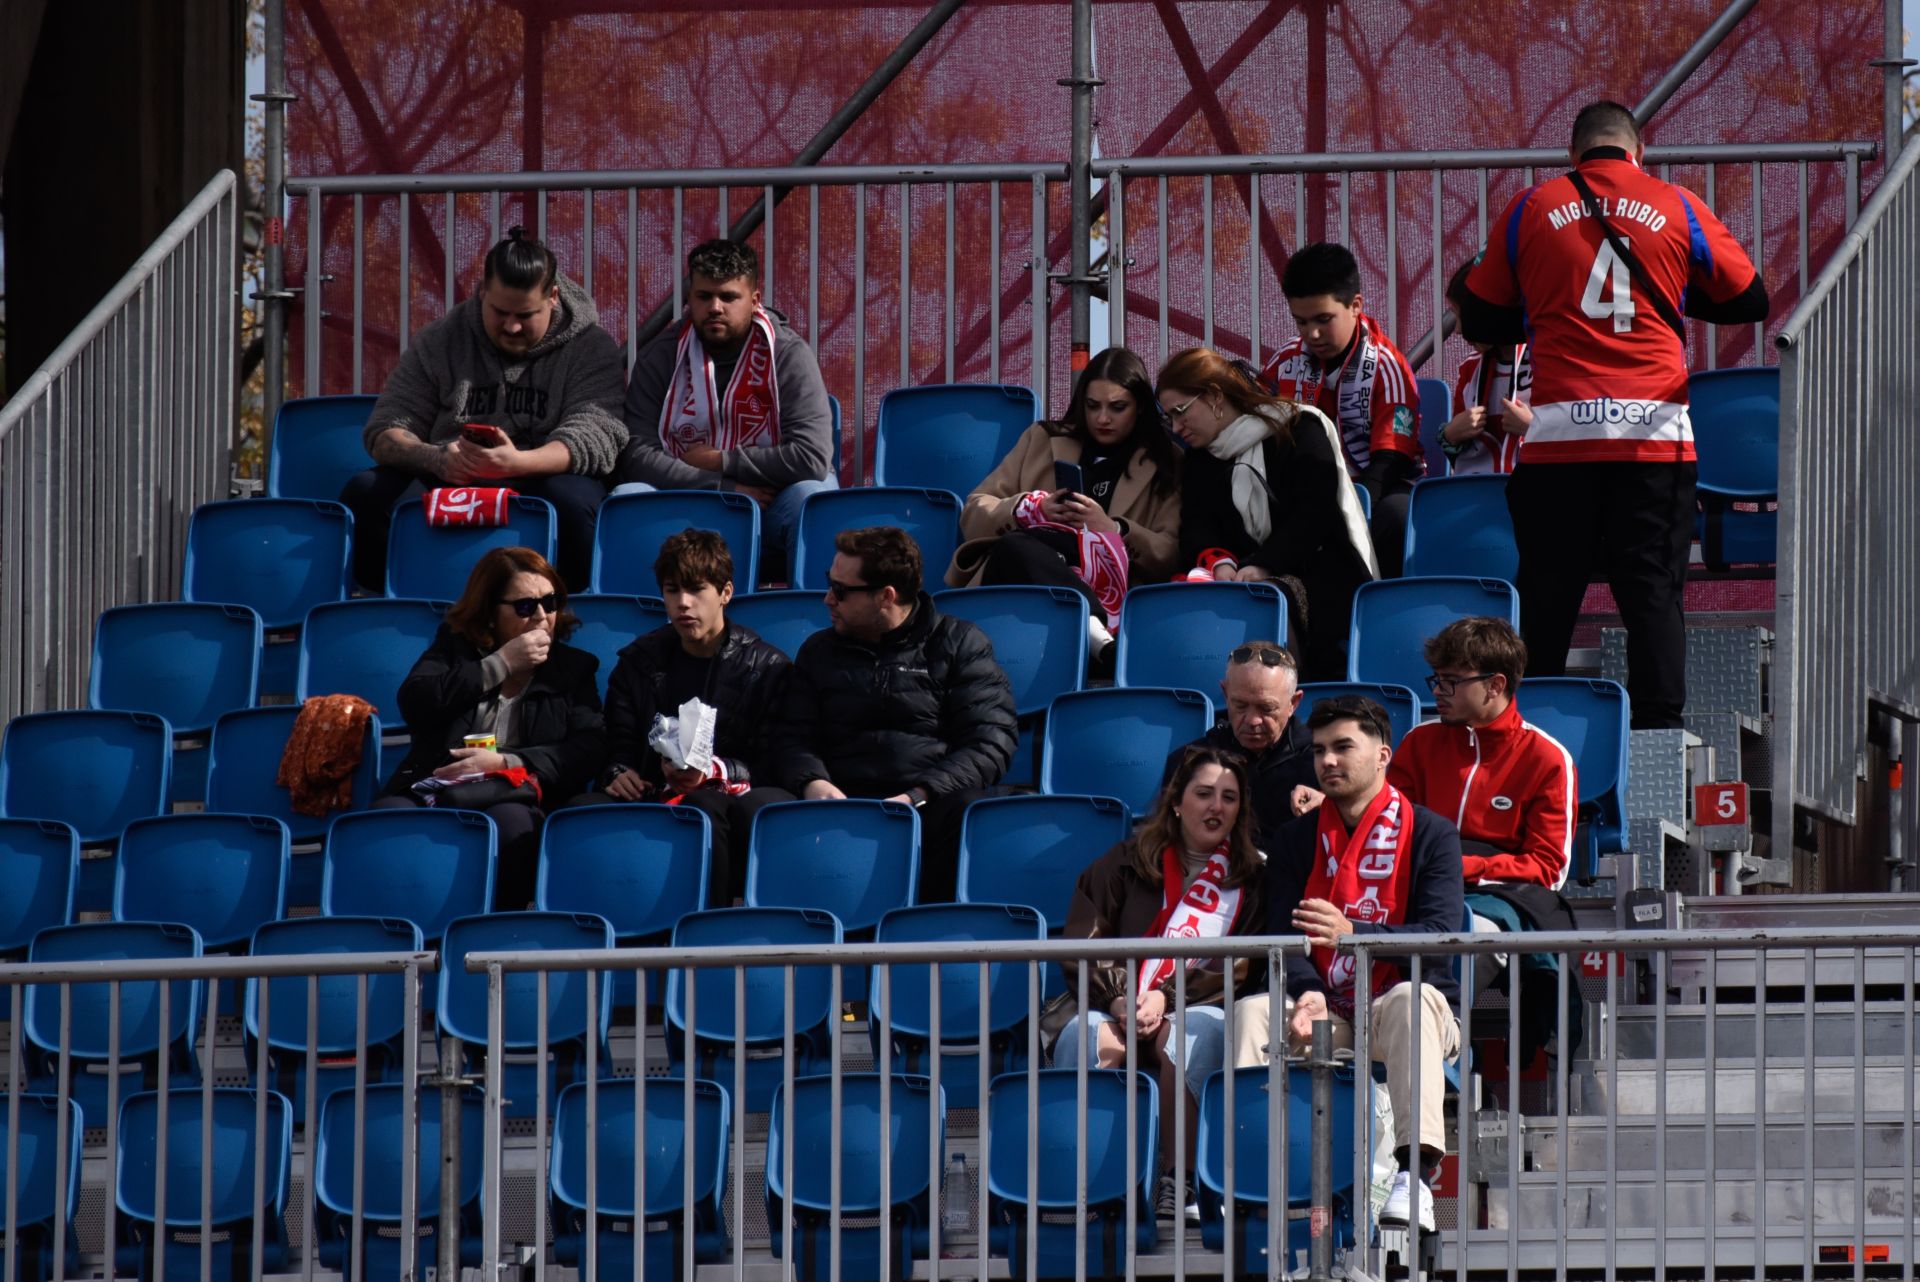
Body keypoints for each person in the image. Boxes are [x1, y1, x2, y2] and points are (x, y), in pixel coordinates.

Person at [1459, 100, 1769, 728]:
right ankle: (1658, 729)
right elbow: (1750, 299)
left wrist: (1543, 310)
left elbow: (1481, 317)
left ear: (1572, 155)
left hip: (1557, 439)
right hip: (1652, 436)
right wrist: (1672, 300)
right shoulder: (1678, 203)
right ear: (1638, 151)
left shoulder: (1532, 206)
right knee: (1651, 588)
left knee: (1548, 592)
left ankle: (1529, 732)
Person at [1232, 696, 1464, 1233]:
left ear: (1383, 755)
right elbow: (1285, 937)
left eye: (1343, 748)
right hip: (1327, 1009)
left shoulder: (1431, 833)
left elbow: (1439, 937)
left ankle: (1416, 1177)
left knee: (1410, 998)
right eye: (1318, 751)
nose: (1327, 762)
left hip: (1403, 1008)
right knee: (1253, 1014)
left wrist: (1353, 935)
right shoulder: (1295, 839)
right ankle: (1253, 1177)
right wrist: (1309, 989)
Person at [343, 228, 627, 592]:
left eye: (525, 315)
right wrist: (436, 458)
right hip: (451, 473)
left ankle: (560, 614)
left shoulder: (591, 346)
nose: (511, 326)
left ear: (553, 297)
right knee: (366, 492)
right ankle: (393, 605)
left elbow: (597, 434)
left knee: (574, 503)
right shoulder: (441, 338)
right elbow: (385, 430)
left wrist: (518, 463)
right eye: (499, 312)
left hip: (539, 475)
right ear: (481, 293)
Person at [1052, 745, 1267, 1222]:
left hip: (1204, 1003)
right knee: (1089, 1034)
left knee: (1193, 1033)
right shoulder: (1123, 863)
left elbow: (1241, 965)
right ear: (1176, 802)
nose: (1217, 807)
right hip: (1117, 1001)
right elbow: (1084, 939)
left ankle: (1179, 1180)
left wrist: (1168, 997)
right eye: (1204, 793)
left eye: (1229, 798)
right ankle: (1096, 1185)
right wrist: (1119, 997)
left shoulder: (1252, 879)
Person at [766, 525, 1018, 903]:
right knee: (762, 805)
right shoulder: (818, 651)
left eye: (841, 590)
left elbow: (990, 743)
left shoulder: (959, 643)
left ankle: (930, 932)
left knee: (970, 808)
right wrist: (811, 781)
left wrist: (919, 794)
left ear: (886, 596)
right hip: (837, 806)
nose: (827, 600)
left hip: (925, 807)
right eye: (828, 583)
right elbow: (791, 736)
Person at [567, 529, 794, 905]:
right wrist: (617, 773)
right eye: (672, 590)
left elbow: (776, 760)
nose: (683, 604)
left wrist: (715, 772)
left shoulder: (767, 667)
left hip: (724, 798)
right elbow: (617, 742)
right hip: (652, 791)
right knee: (578, 813)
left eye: (696, 590)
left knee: (701, 806)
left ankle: (707, 928)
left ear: (725, 593)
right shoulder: (639, 662)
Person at [376, 546, 606, 912]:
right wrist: (500, 664)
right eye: (525, 606)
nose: (543, 616)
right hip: (443, 784)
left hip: (520, 794)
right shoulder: (455, 650)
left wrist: (505, 762)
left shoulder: (574, 669)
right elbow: (416, 702)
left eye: (551, 602)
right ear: (489, 613)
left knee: (509, 822)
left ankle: (495, 938)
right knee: (391, 818)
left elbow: (589, 748)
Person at [947, 346, 1182, 667]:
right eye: (1092, 405)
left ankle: (1094, 630)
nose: (1102, 418)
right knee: (1016, 547)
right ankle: (1098, 635)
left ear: (1139, 408)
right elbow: (974, 511)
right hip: (1025, 577)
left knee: (1018, 547)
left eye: (1117, 407)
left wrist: (1113, 530)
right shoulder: (1042, 439)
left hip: (1113, 587)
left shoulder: (1166, 460)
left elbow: (1169, 552)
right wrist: (1029, 510)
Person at [614, 239, 836, 576]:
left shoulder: (788, 354)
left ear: (754, 300)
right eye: (704, 296)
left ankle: (810, 621)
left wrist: (721, 459)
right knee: (628, 495)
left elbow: (812, 457)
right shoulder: (660, 356)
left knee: (813, 498)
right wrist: (720, 486)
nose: (715, 307)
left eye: (729, 297)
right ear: (689, 298)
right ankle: (635, 623)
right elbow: (635, 454)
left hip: (770, 504)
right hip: (689, 501)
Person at [1157, 347, 1376, 682]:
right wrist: (1221, 563)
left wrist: (1264, 563)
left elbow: (1314, 514)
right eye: (1169, 417)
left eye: (1181, 412)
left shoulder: (1298, 427)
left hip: (1322, 576)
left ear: (1215, 397)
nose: (1176, 427)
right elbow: (1196, 526)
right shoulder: (1200, 460)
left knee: (1271, 599)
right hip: (1245, 578)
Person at [1260, 242, 1424, 576]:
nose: (1312, 334)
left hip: (1377, 489)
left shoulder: (1387, 367)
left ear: (1356, 305)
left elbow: (1390, 461)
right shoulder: (1284, 362)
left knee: (1397, 517)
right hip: (1308, 490)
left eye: (1324, 319)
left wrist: (1342, 511)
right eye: (1301, 322)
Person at [1160, 640, 1315, 848]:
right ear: (1225, 694)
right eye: (1240, 705)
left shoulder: (1322, 763)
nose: (1252, 720)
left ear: (1293, 703)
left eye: (1266, 708)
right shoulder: (1187, 762)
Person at [1439, 258, 1532, 475]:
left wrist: (1534, 429)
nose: (1458, 331)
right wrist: (1449, 436)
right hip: (1476, 496)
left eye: (1463, 318)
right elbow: (1459, 458)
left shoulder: (1549, 365)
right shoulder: (1471, 369)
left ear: (1490, 314)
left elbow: (1580, 443)